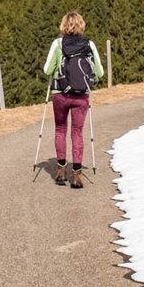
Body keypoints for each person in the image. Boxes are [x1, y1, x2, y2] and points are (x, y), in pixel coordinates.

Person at [42, 10, 104, 189]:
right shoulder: (89, 45)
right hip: (81, 95)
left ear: (63, 25)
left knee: (60, 129)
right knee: (77, 132)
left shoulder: (57, 44)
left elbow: (47, 70)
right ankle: (76, 174)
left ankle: (61, 170)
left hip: (60, 93)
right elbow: (100, 72)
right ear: (81, 25)